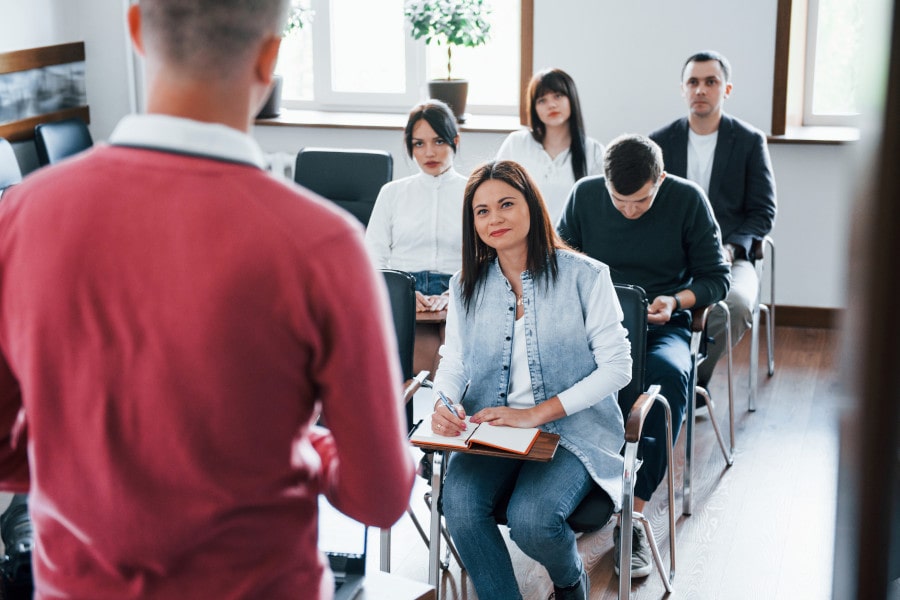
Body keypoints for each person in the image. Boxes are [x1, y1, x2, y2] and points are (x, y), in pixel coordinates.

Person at [0, 1, 415, 598]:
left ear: (137, 27)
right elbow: (379, 495)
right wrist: (307, 443)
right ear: (271, 58)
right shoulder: (323, 245)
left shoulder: (22, 213)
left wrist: (90, 455)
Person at [430, 160, 632, 600]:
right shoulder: (466, 283)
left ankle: (569, 581)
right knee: (459, 508)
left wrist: (535, 414)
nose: (494, 219)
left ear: (532, 206)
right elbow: (455, 360)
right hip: (492, 427)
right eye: (481, 211)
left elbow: (618, 367)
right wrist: (444, 400)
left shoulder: (586, 275)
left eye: (506, 204)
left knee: (533, 521)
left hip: (569, 432)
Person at [557, 134, 730, 579]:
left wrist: (676, 300)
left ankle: (630, 518)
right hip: (592, 327)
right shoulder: (584, 195)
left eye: (641, 200)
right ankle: (574, 492)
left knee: (667, 381)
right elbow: (557, 263)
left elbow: (716, 278)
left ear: (661, 179)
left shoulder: (688, 200)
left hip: (660, 325)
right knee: (554, 374)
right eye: (620, 200)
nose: (629, 210)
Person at [650, 50, 777, 410]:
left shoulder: (750, 141)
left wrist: (733, 248)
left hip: (731, 254)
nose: (701, 90)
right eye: (693, 82)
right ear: (683, 90)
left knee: (734, 305)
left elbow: (763, 211)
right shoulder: (660, 141)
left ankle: (692, 382)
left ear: (727, 89)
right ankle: (659, 380)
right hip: (674, 254)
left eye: (711, 82)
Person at [366, 99, 467, 312]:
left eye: (439, 141)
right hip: (403, 286)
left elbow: (487, 258)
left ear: (455, 141)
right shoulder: (392, 193)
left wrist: (455, 293)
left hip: (459, 288)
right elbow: (373, 256)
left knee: (448, 339)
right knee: (420, 341)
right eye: (419, 144)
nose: (429, 153)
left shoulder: (474, 193)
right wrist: (402, 292)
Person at [495, 68, 604, 222]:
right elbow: (496, 194)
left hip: (572, 243)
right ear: (534, 108)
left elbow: (599, 208)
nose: (551, 105)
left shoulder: (594, 151)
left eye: (558, 96)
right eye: (542, 100)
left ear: (571, 99)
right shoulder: (516, 143)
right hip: (524, 239)